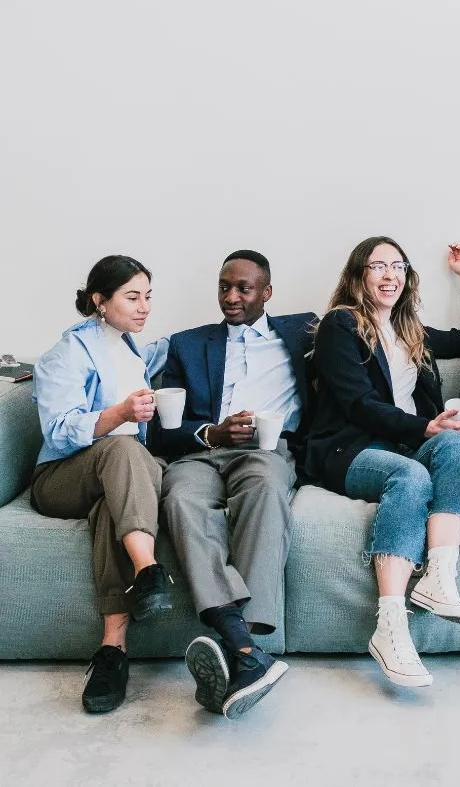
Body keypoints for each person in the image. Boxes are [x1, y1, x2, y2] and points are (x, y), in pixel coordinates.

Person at [306, 239, 460, 687]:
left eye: (398, 266)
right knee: (410, 474)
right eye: (378, 267)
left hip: (406, 444)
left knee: (456, 447)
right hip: (348, 448)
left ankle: (439, 578)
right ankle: (390, 624)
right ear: (359, 275)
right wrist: (423, 427)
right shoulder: (341, 325)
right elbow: (357, 402)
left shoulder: (413, 332)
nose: (390, 275)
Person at [153, 250, 316, 719]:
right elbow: (163, 427)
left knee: (265, 489)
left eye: (243, 288)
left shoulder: (304, 331)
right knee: (180, 498)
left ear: (267, 293)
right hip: (202, 451)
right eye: (224, 287)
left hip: (266, 450)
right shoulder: (187, 345)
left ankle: (236, 642)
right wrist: (211, 432)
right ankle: (245, 649)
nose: (231, 297)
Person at [31, 255, 170, 713]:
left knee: (120, 496)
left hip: (115, 478)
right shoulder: (67, 353)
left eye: (148, 296)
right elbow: (59, 431)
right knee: (127, 449)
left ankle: (112, 651)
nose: (144, 306)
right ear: (100, 300)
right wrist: (121, 414)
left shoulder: (132, 348)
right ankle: (148, 571)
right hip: (61, 477)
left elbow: (170, 348)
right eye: (132, 297)